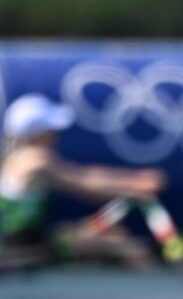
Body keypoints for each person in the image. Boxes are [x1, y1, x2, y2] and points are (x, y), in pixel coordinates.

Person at [1, 93, 165, 269]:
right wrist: (135, 185)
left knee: (111, 234)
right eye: (51, 130)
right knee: (125, 246)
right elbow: (86, 184)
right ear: (37, 133)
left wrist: (133, 182)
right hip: (21, 247)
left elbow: (85, 176)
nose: (56, 135)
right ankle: (168, 291)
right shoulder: (36, 161)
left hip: (28, 239)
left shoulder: (12, 159)